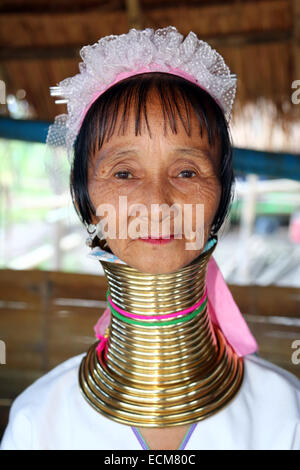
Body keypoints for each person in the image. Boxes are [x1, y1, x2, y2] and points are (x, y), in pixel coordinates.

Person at [1, 26, 299, 451]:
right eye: (123, 173)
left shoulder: (286, 416)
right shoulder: (39, 421)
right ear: (86, 200)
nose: (156, 202)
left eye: (187, 172)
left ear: (222, 197)